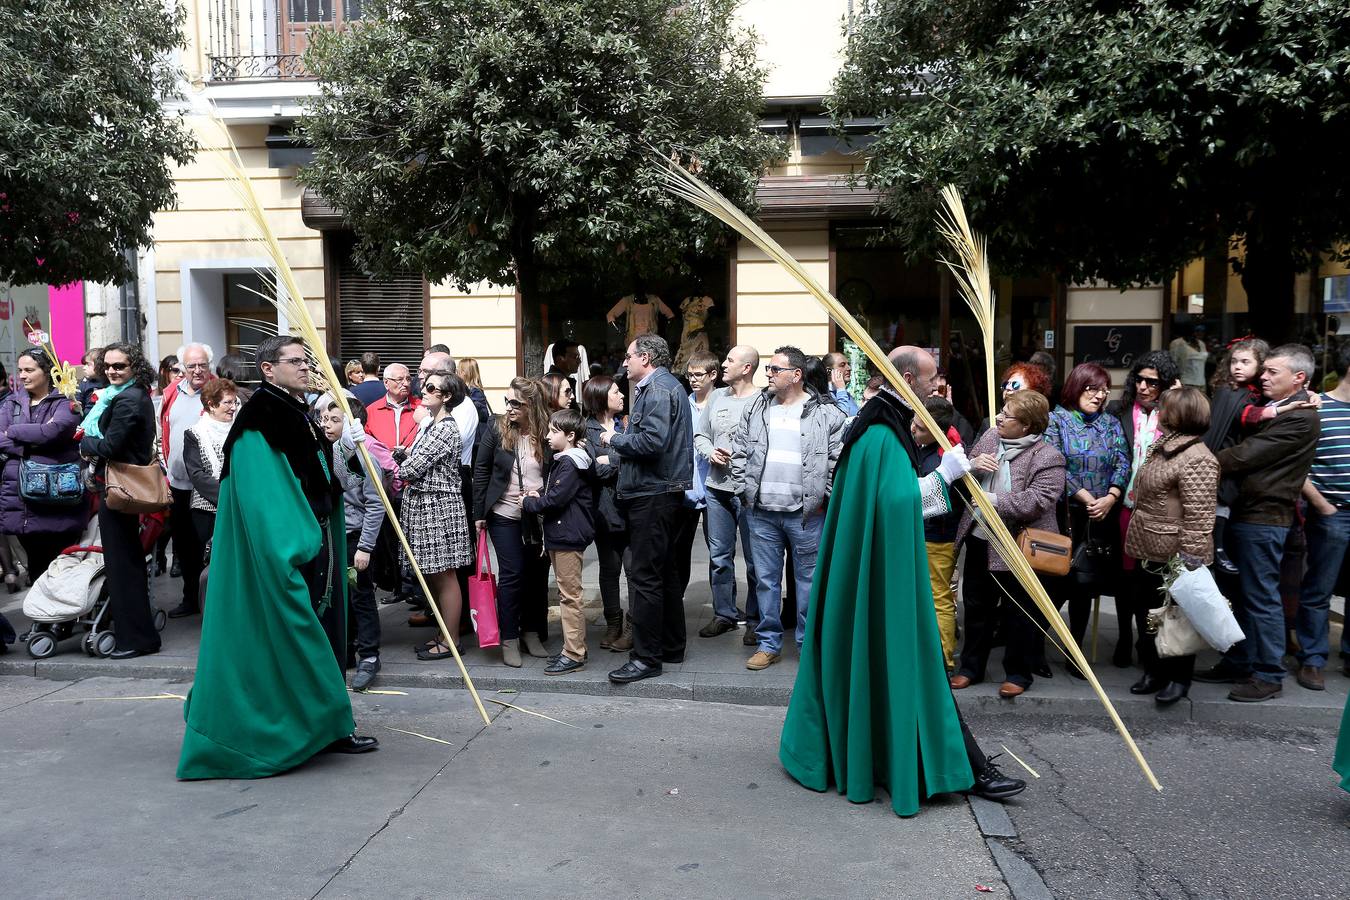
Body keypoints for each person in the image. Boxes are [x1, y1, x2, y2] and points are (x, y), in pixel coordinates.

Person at [779, 345, 1023, 817]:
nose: (937, 385)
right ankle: (962, 768)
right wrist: (945, 477)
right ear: (909, 378)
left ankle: (959, 764)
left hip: (880, 572)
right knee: (914, 666)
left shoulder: (881, 422)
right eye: (931, 378)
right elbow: (893, 505)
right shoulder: (882, 433)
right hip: (886, 578)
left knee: (913, 668)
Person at [178, 334, 377, 779]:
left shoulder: (297, 411)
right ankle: (305, 729)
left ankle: (327, 726)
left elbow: (322, 474)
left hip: (319, 543)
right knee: (298, 639)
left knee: (324, 638)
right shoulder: (259, 421)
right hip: (291, 553)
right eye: (295, 362)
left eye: (307, 361)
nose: (306, 368)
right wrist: (297, 545)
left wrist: (349, 451)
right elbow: (264, 498)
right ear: (268, 369)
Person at [1198, 345, 1320, 702]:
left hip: (1265, 518)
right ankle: (1239, 659)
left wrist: (1201, 458)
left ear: (1298, 379)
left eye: (1272, 373)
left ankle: (1268, 673)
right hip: (1248, 514)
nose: (1262, 377)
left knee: (1261, 598)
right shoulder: (1281, 409)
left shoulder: (1300, 417)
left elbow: (1244, 456)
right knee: (1240, 594)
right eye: (1262, 370)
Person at [731, 345, 847, 671]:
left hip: (806, 514)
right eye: (768, 369)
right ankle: (769, 644)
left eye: (774, 369)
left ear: (796, 375)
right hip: (762, 512)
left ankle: (807, 645)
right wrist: (742, 490)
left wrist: (823, 496)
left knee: (808, 582)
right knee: (765, 580)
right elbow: (740, 450)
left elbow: (837, 460)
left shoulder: (826, 413)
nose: (767, 374)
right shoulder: (757, 408)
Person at [952, 389, 1066, 697]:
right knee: (976, 606)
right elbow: (964, 474)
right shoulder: (990, 437)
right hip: (981, 537)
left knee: (1020, 611)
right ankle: (970, 668)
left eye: (1007, 415)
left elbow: (1038, 501)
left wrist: (991, 500)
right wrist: (973, 466)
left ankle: (1018, 672)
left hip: (1017, 546)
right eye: (1001, 412)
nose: (999, 418)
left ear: (1027, 425)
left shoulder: (1048, 457)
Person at [598, 334, 693, 684]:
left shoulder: (656, 390)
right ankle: (670, 646)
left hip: (652, 494)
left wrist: (614, 440)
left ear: (647, 358)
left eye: (629, 356)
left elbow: (651, 442)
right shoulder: (666, 387)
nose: (624, 362)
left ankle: (646, 658)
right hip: (661, 492)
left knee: (645, 578)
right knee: (663, 571)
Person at [1122, 387, 1218, 705]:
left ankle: (1179, 678)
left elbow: (1200, 514)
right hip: (1149, 546)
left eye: (1164, 408)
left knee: (1178, 617)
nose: (1158, 412)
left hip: (1176, 554)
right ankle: (1154, 671)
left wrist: (1190, 557)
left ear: (1177, 415)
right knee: (1149, 613)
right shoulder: (1163, 446)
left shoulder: (1198, 458)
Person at [1042, 362, 1130, 674]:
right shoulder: (1056, 420)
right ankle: (1036, 646)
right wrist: (1085, 496)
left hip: (1101, 515)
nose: (1099, 396)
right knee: (1054, 583)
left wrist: (1111, 497)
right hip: (1066, 514)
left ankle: (1074, 652)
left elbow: (1122, 460)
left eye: (1104, 390)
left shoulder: (1111, 423)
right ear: (1077, 387)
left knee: (1085, 583)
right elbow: (1053, 464)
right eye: (1092, 388)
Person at [79, 342, 160, 660]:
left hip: (119, 490)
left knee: (123, 566)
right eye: (108, 366)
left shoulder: (128, 398)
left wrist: (84, 439)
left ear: (134, 368)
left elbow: (111, 446)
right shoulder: (125, 394)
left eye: (119, 366)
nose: (111, 371)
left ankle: (137, 638)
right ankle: (136, 634)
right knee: (127, 564)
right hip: (118, 488)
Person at [1105, 349, 1180, 667]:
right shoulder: (1118, 411)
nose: (1144, 387)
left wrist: (1177, 400)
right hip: (1125, 505)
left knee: (1152, 580)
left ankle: (1147, 642)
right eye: (1140, 379)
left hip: (1160, 511)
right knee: (1125, 579)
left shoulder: (1175, 415)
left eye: (1153, 382)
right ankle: (1124, 637)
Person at [474, 377, 553, 667]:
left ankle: (530, 631)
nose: (509, 408)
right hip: (503, 514)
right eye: (507, 401)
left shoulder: (546, 431)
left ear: (532, 405)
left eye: (516, 403)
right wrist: (479, 513)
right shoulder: (497, 428)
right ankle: (508, 637)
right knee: (513, 574)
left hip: (536, 514)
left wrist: (543, 493)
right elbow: (481, 470)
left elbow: (557, 471)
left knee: (535, 575)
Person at [398, 372, 473, 662]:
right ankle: (444, 634)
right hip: (427, 506)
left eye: (432, 388)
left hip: (438, 508)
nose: (423, 390)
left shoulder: (445, 429)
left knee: (445, 576)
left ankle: (452, 640)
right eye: (424, 385)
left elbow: (410, 469)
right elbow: (411, 463)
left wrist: (403, 462)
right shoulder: (432, 425)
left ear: (446, 397)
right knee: (433, 576)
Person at [316, 396, 385, 690]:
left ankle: (369, 655)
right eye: (323, 419)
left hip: (355, 538)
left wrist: (365, 547)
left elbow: (375, 503)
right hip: (330, 537)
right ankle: (343, 652)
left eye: (334, 419)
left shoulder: (363, 456)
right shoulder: (322, 452)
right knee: (335, 597)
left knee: (360, 596)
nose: (326, 424)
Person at [0, 350, 86, 585]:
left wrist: (15, 433)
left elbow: (53, 432)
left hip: (59, 497)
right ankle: (44, 619)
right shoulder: (12, 402)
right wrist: (29, 446)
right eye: (20, 370)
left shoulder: (66, 401)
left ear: (47, 372)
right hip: (23, 501)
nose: (22, 376)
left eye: (29, 370)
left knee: (62, 565)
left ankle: (63, 618)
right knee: (37, 567)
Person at [694, 345, 761, 641]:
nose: (723, 364)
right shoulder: (718, 396)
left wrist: (742, 454)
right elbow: (701, 435)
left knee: (755, 559)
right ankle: (724, 614)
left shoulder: (763, 400)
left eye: (730, 360)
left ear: (746, 368)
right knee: (719, 557)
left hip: (749, 492)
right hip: (716, 489)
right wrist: (710, 453)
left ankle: (757, 619)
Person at [523, 408, 595, 675]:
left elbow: (555, 500)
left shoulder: (569, 462)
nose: (547, 435)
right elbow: (555, 492)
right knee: (568, 595)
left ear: (571, 435)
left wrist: (529, 502)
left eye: (554, 431)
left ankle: (574, 653)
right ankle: (572, 649)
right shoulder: (567, 459)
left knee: (569, 596)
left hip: (567, 536)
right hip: (563, 535)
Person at [1296, 346, 1350, 691]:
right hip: (1332, 513)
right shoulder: (1319, 407)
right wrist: (1321, 504)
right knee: (1319, 589)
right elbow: (1298, 463)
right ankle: (1312, 659)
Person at [1204, 338, 1271, 575]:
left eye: (1245, 362)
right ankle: (1217, 548)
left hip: (1236, 459)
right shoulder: (1229, 390)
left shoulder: (1256, 392)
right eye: (1234, 361)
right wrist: (1274, 411)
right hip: (1223, 455)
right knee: (1220, 501)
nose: (1238, 367)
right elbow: (1247, 416)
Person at [160, 343, 214, 619]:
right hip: (178, 484)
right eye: (191, 366)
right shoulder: (172, 393)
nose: (197, 370)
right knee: (184, 545)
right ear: (182, 368)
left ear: (209, 365)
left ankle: (214, 604)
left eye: (202, 364)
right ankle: (190, 598)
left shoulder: (218, 393)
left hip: (207, 487)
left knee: (209, 545)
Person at [584, 375, 633, 650]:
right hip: (603, 510)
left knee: (633, 570)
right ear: (602, 396)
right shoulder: (585, 430)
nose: (622, 396)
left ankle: (631, 627)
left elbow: (635, 457)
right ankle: (613, 622)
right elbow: (593, 470)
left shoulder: (627, 425)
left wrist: (613, 458)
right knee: (609, 569)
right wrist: (621, 460)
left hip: (630, 507)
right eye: (616, 392)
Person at [912, 395, 961, 670]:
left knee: (939, 596)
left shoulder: (946, 455)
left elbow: (938, 501)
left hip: (937, 535)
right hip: (923, 531)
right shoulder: (926, 445)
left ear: (936, 430)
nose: (913, 430)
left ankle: (944, 658)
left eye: (919, 428)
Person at [672, 351, 718, 619]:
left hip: (716, 487)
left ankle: (723, 607)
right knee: (679, 550)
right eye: (690, 374)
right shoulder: (682, 404)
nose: (693, 380)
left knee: (719, 552)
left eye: (698, 374)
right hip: (685, 487)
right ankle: (675, 600)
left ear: (713, 375)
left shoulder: (722, 403)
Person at [181, 378, 238, 550]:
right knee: (214, 561)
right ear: (211, 404)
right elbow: (197, 474)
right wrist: (227, 496)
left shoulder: (240, 431)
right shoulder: (195, 434)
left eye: (235, 402)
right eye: (227, 403)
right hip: (209, 508)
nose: (233, 407)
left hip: (240, 504)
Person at [365, 363, 420, 453]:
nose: (406, 383)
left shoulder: (421, 407)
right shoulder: (371, 411)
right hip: (381, 465)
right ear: (386, 383)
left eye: (408, 379)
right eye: (400, 379)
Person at [823, 352, 860, 416]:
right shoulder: (825, 397)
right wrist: (841, 389)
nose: (849, 368)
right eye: (842, 365)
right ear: (828, 371)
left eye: (848, 364)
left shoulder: (845, 393)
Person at [458, 357, 492, 423]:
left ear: (464, 373)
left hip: (477, 429)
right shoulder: (468, 389)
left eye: (459, 371)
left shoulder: (475, 391)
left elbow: (483, 415)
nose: (457, 374)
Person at [76, 347, 106, 413]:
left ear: (100, 365)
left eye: (88, 364)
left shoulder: (109, 382)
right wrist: (75, 405)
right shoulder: (84, 384)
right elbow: (78, 399)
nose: (84, 368)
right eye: (84, 364)